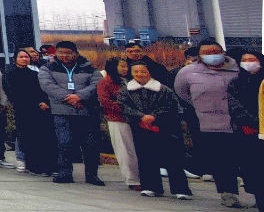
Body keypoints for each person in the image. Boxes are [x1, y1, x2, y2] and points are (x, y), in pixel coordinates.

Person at [175, 41, 243, 207]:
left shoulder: (238, 69)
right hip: (209, 122)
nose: (212, 55)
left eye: (215, 51)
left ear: (223, 52)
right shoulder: (188, 72)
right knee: (222, 159)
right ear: (199, 55)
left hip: (239, 120)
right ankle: (228, 193)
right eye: (207, 52)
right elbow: (182, 92)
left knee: (244, 157)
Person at [119, 59, 190, 200]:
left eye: (143, 71)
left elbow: (171, 106)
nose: (140, 74)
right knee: (146, 157)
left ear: (149, 72)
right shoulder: (126, 91)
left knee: (172, 157)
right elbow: (123, 106)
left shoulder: (163, 89)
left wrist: (153, 116)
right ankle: (151, 187)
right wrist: (141, 116)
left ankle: (180, 189)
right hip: (140, 126)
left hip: (164, 126)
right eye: (136, 71)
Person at [36, 41, 103, 186]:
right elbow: (47, 85)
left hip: (86, 111)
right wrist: (70, 99)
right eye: (61, 53)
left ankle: (92, 175)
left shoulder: (89, 68)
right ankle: (65, 173)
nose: (64, 56)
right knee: (64, 142)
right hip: (61, 111)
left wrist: (79, 97)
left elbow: (97, 84)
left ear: (76, 54)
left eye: (68, 53)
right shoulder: (47, 68)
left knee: (90, 144)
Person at [3, 48, 54, 176]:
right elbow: (13, 93)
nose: (24, 59)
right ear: (15, 59)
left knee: (40, 138)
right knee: (27, 138)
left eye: (26, 57)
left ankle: (45, 166)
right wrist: (35, 103)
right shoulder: (10, 74)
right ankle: (32, 166)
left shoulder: (34, 74)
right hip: (23, 109)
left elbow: (40, 91)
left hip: (38, 110)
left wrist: (43, 102)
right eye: (21, 57)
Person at [95, 58, 139, 189]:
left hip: (135, 119)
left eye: (126, 66)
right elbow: (104, 101)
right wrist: (125, 109)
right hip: (117, 119)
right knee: (125, 150)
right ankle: (132, 180)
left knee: (135, 150)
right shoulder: (105, 82)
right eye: (122, 66)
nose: (125, 69)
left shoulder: (130, 81)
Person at [231, 51, 263, 211]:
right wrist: (248, 121)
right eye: (244, 60)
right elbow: (234, 103)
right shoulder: (236, 81)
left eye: (251, 59)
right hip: (245, 129)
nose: (248, 62)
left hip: (261, 128)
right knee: (251, 166)